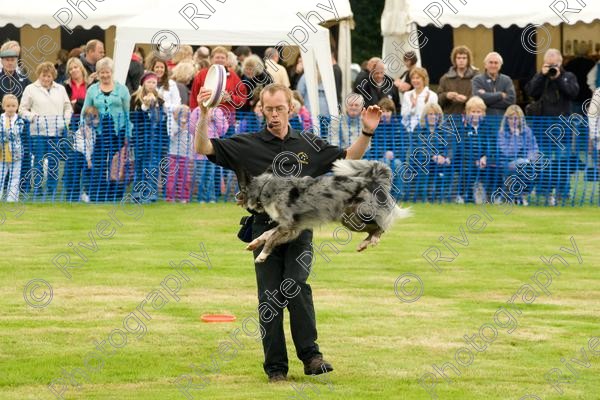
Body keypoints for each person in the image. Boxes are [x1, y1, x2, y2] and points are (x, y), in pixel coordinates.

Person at [194, 82, 382, 382]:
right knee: (269, 298)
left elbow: (349, 158)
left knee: (295, 284)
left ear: (291, 108)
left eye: (279, 108)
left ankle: (311, 356)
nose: (274, 114)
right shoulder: (246, 145)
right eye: (268, 109)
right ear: (261, 110)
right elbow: (203, 147)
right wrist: (204, 114)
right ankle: (276, 369)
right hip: (261, 229)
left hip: (298, 229)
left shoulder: (309, 145)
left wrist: (367, 131)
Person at [525, 48, 579, 206]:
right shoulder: (541, 76)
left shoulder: (569, 76)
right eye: (549, 64)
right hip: (542, 128)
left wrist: (558, 77)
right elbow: (530, 91)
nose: (552, 67)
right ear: (544, 63)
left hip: (563, 128)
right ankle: (544, 191)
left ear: (560, 62)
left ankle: (563, 192)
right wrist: (542, 75)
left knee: (563, 161)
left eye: (554, 64)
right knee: (544, 161)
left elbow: (573, 93)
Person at [19, 62, 72, 199]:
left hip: (57, 131)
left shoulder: (60, 89)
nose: (46, 79)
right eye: (43, 76)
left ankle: (52, 189)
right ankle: (37, 188)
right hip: (38, 132)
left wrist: (65, 121)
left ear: (53, 76)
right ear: (39, 75)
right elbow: (22, 109)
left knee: (54, 161)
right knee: (38, 161)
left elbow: (68, 107)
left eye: (49, 76)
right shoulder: (30, 89)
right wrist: (33, 117)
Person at [81, 57, 131, 202]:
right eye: (101, 72)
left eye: (107, 72)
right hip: (99, 133)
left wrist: (128, 133)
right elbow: (85, 110)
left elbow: (127, 113)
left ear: (112, 72)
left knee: (116, 165)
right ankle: (97, 195)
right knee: (99, 164)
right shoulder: (92, 90)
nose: (105, 75)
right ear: (98, 73)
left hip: (118, 132)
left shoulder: (122, 89)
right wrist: (84, 128)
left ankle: (115, 196)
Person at [130, 72, 168, 203]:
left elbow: (159, 120)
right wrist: (144, 107)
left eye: (154, 82)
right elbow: (133, 119)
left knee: (151, 166)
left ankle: (150, 194)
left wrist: (154, 107)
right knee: (139, 166)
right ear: (143, 84)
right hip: (140, 138)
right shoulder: (135, 99)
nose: (151, 85)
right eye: (149, 82)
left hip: (155, 139)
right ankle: (137, 194)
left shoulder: (161, 100)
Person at [0, 45, 31, 194]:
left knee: (21, 155)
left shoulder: (23, 78)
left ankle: (21, 187)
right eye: (7, 60)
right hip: (1, 122)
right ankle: (2, 188)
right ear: (2, 61)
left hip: (19, 124)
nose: (10, 63)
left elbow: (30, 95)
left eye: (12, 60)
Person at [190, 46, 247, 125]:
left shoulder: (233, 76)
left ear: (227, 60)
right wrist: (194, 114)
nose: (220, 60)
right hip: (205, 118)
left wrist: (231, 98)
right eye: (217, 57)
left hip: (227, 120)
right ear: (211, 59)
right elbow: (194, 95)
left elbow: (242, 98)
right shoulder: (202, 74)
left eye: (222, 58)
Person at [497, 105, 540, 206]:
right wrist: (515, 137)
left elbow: (533, 148)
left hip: (527, 163)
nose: (514, 121)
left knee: (535, 167)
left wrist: (530, 159)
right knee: (522, 166)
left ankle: (523, 194)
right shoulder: (502, 133)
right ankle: (515, 196)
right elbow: (507, 153)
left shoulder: (527, 131)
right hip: (508, 163)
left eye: (516, 118)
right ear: (506, 120)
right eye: (511, 118)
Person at [191, 104, 228, 203]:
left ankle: (211, 197)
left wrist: (215, 119)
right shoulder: (197, 110)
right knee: (200, 175)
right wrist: (203, 119)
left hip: (213, 149)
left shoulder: (217, 111)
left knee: (210, 175)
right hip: (199, 151)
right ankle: (201, 198)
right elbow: (191, 128)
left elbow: (223, 130)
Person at [455, 96, 489, 204]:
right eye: (473, 111)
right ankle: (462, 195)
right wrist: (475, 160)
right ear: (467, 112)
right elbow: (461, 148)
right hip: (465, 160)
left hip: (484, 161)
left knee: (494, 168)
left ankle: (492, 197)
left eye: (478, 111)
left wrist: (485, 157)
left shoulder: (488, 128)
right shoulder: (461, 128)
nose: (475, 114)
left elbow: (492, 146)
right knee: (467, 167)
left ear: (483, 113)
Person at [64, 106, 99, 203]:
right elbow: (83, 146)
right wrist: (88, 159)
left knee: (86, 176)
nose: (98, 121)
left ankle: (84, 194)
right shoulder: (82, 130)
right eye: (96, 118)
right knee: (74, 176)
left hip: (84, 156)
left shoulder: (92, 131)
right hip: (77, 156)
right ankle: (72, 197)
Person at [471, 52, 515, 117]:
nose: (493, 65)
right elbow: (477, 99)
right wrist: (500, 95)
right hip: (484, 120)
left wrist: (487, 102)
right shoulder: (477, 79)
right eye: (490, 62)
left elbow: (511, 100)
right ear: (485, 65)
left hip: (503, 119)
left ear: (500, 65)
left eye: (496, 63)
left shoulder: (507, 80)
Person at [438, 45, 477, 115]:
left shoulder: (476, 77)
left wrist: (466, 99)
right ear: (454, 60)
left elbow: (479, 98)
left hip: (470, 117)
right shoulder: (445, 78)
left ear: (468, 60)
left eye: (464, 58)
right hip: (450, 117)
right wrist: (446, 95)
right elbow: (438, 99)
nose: (461, 60)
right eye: (458, 58)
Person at [166, 105, 194, 202]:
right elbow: (171, 135)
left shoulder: (190, 124)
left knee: (185, 177)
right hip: (172, 154)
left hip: (185, 155)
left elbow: (191, 139)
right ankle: (170, 197)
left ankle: (184, 197)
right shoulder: (172, 123)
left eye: (186, 114)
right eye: (182, 114)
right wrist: (180, 126)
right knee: (172, 177)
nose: (184, 116)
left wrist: (191, 153)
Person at [0, 94, 25, 202]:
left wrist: (4, 134)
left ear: (17, 107)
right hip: (2, 153)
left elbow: (15, 133)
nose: (11, 108)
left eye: (13, 106)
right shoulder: (0, 119)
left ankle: (12, 199)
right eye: (8, 106)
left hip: (16, 154)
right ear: (3, 106)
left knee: (15, 177)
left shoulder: (19, 120)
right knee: (0, 176)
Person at [401, 67, 438, 132]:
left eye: (417, 78)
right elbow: (403, 116)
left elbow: (434, 116)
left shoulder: (432, 95)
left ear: (424, 79)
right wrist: (412, 107)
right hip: (409, 132)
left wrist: (425, 103)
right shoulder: (407, 95)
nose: (415, 80)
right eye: (413, 78)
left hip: (426, 132)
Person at [62, 57, 89, 130]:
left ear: (81, 68)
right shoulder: (64, 86)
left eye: (75, 67)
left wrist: (77, 102)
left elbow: (91, 103)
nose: (73, 70)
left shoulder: (90, 84)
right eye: (70, 69)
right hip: (71, 123)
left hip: (88, 121)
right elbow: (64, 105)